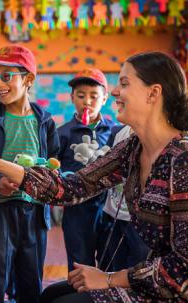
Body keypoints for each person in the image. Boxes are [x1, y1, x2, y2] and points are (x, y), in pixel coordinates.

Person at [0, 51, 188, 303]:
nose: (115, 92)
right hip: (154, 280)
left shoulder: (187, 157)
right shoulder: (132, 148)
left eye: (124, 83)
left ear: (153, 93)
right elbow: (71, 188)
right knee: (49, 298)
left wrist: (109, 279)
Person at [0, 45, 60, 303]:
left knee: (31, 278)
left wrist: (51, 175)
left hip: (34, 212)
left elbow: (54, 161)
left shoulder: (45, 122)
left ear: (28, 79)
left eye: (6, 76)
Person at [55, 68, 115, 272]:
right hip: (76, 209)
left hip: (109, 207)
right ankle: (79, 301)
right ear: (72, 98)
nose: (87, 101)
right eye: (81, 96)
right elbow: (53, 167)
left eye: (94, 96)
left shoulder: (115, 131)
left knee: (110, 260)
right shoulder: (62, 133)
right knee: (79, 261)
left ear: (104, 99)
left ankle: (106, 302)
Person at [94, 124, 150, 272]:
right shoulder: (117, 132)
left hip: (139, 221)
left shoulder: (153, 134)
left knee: (137, 268)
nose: (118, 101)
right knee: (116, 266)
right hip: (114, 215)